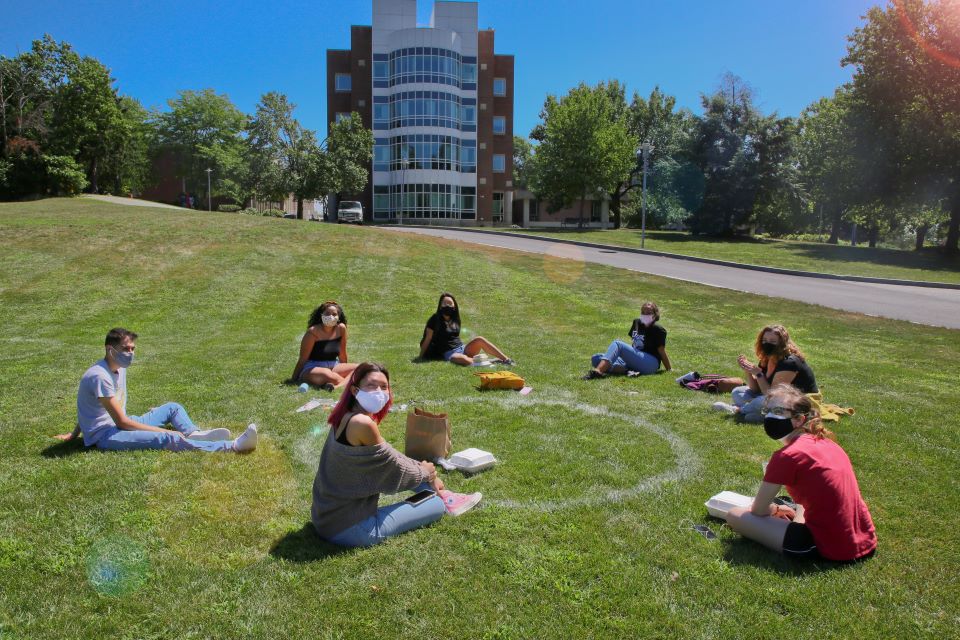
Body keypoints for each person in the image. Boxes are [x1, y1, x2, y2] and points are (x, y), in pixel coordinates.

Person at [311, 362, 482, 547]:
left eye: (384, 387)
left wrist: (425, 474)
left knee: (421, 479)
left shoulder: (344, 416)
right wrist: (426, 473)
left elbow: (390, 455)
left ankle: (441, 492)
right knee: (436, 505)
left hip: (325, 518)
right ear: (354, 390)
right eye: (371, 385)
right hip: (352, 529)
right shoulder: (363, 423)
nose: (379, 391)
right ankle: (443, 499)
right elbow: (392, 470)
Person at [725, 385, 877, 562]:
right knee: (794, 505)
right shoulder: (826, 443)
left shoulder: (787, 455)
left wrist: (775, 509)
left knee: (734, 515)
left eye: (778, 411)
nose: (769, 417)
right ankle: (793, 518)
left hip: (825, 545)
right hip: (862, 538)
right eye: (767, 410)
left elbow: (758, 510)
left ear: (798, 420)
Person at [56, 328, 257, 453]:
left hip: (117, 425)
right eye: (126, 349)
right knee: (169, 437)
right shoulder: (99, 375)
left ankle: (194, 434)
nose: (131, 353)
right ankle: (232, 446)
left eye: (133, 348)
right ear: (110, 349)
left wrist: (72, 435)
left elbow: (88, 406)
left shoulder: (118, 368)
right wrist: (163, 430)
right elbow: (122, 422)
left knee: (172, 408)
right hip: (105, 436)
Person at [713, 324, 818, 422]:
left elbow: (772, 395)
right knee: (737, 392)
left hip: (797, 403)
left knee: (762, 401)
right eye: (764, 340)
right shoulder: (768, 357)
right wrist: (748, 371)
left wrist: (759, 374)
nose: (767, 344)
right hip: (777, 399)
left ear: (782, 343)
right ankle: (763, 414)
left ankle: (738, 410)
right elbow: (756, 389)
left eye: (773, 341)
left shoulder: (790, 363)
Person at [418, 293, 513, 366]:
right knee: (459, 358)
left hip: (463, 348)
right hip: (450, 354)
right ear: (440, 306)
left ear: (454, 306)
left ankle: (506, 359)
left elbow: (455, 338)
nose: (447, 306)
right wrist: (420, 356)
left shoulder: (455, 320)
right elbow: (427, 339)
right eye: (444, 303)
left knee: (479, 339)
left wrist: (465, 350)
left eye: (450, 303)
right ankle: (489, 361)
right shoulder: (434, 319)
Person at [582, 301, 672, 379]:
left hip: (650, 363)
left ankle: (597, 372)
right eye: (643, 311)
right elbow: (635, 343)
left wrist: (669, 369)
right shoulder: (636, 322)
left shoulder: (658, 329)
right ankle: (628, 371)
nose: (645, 314)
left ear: (655, 314)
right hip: (636, 359)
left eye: (649, 312)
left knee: (618, 344)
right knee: (596, 358)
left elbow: (661, 351)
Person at [291, 301, 358, 390]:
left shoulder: (341, 328)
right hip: (312, 367)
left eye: (334, 314)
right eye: (327, 313)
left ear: (338, 317)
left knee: (361, 368)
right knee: (326, 374)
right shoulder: (313, 332)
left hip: (333, 365)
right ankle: (352, 384)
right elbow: (303, 358)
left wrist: (344, 368)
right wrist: (294, 378)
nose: (330, 317)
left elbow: (342, 354)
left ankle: (336, 386)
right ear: (321, 315)